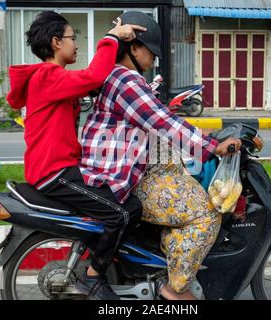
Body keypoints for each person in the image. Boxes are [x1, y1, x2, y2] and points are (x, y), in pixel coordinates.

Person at [79, 11, 242, 300]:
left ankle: (170, 258)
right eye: (151, 51)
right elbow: (162, 123)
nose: (153, 59)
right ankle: (174, 288)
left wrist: (206, 138)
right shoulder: (125, 81)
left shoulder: (121, 78)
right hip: (122, 176)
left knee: (188, 183)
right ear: (134, 48)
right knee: (205, 213)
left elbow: (160, 118)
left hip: (134, 167)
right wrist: (210, 146)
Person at [6, 11, 147, 300]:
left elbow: (95, 81)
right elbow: (93, 75)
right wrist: (112, 38)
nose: (77, 44)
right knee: (124, 212)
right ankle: (94, 278)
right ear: (56, 42)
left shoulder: (55, 78)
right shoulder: (47, 76)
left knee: (124, 200)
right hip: (53, 173)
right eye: (73, 38)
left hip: (63, 167)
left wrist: (119, 45)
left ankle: (102, 265)